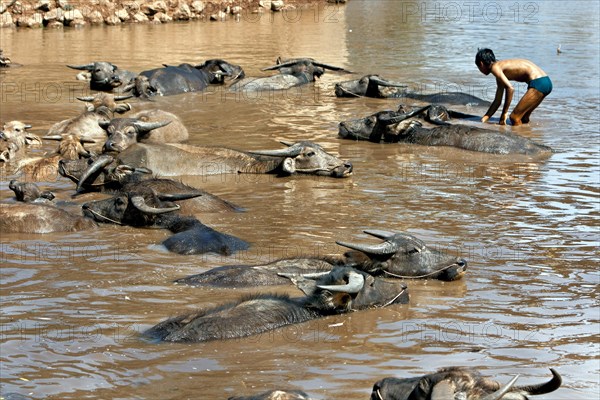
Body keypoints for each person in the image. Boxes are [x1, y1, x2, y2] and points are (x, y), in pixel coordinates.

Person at [475, 48, 552, 126]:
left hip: (539, 83)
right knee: (523, 117)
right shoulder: (500, 68)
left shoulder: (495, 68)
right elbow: (497, 101)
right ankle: (528, 134)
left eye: (478, 68)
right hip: (546, 81)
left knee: (514, 117)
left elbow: (510, 88)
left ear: (481, 64)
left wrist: (504, 114)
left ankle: (519, 137)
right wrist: (485, 118)